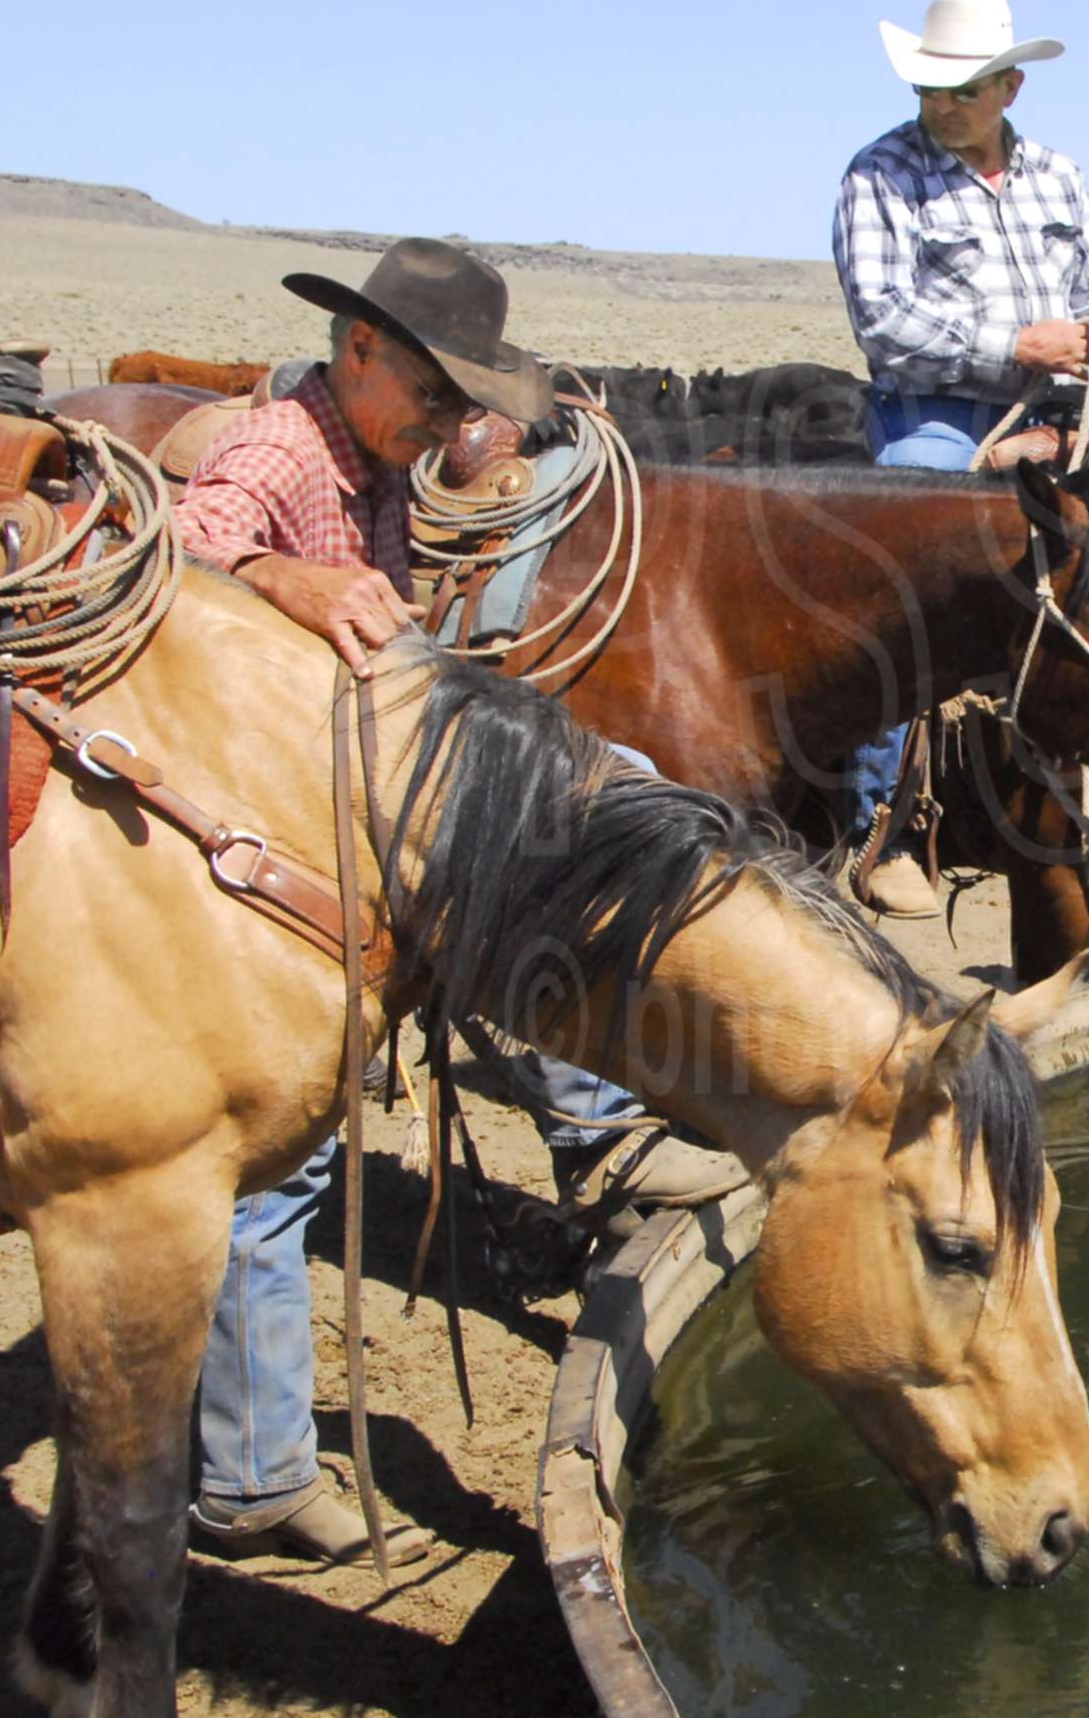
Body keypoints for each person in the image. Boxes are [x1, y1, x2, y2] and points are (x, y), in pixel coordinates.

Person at [170, 237, 732, 1565]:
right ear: (358, 348)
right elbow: (185, 556)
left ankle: (603, 1123)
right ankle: (247, 1479)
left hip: (333, 794)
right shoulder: (284, 451)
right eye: (434, 393)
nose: (448, 424)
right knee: (282, 1150)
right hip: (265, 824)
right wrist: (280, 576)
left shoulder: (370, 463)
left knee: (551, 841)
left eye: (462, 404)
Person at [829, 0, 1089, 917]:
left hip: (1060, 411)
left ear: (1010, 88)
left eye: (963, 90)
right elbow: (883, 321)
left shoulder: (1059, 176)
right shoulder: (879, 175)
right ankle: (881, 821)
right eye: (930, 89)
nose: (942, 106)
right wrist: (1018, 345)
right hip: (936, 414)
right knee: (906, 565)